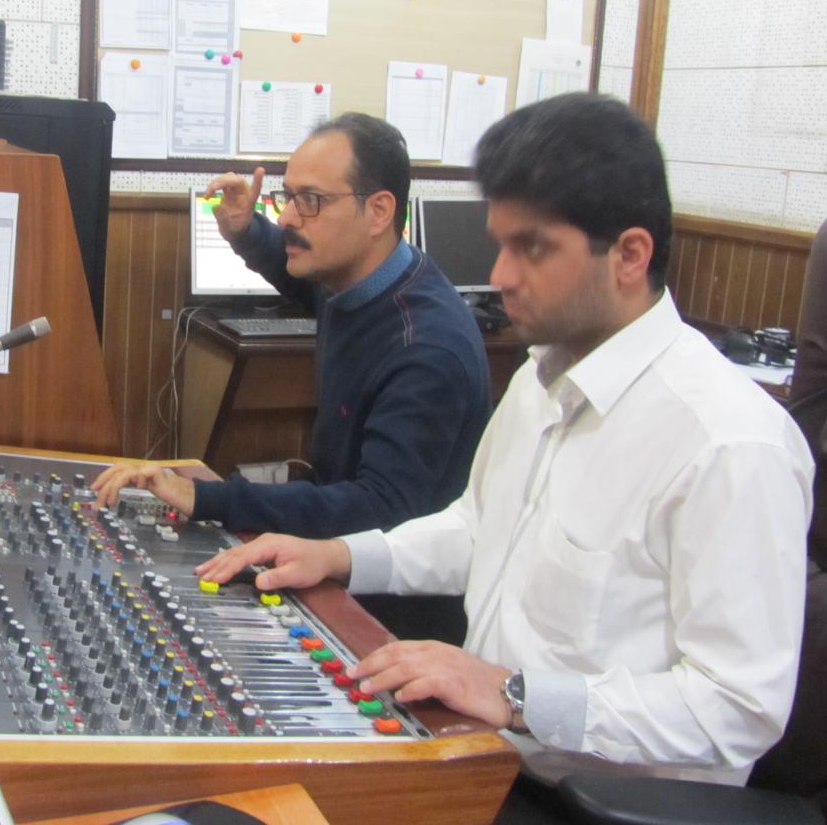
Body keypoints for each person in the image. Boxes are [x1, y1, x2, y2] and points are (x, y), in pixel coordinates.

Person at [196, 93, 814, 794]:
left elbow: (738, 709)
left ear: (629, 255)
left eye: (532, 248)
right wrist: (339, 555)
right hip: (487, 751)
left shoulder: (729, 444)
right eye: (501, 244)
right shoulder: (541, 378)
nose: (499, 277)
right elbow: (478, 528)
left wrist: (517, 695)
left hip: (593, 800)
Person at [93, 112, 491, 539]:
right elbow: (296, 275)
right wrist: (246, 230)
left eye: (311, 201)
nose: (286, 218)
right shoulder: (357, 281)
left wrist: (206, 497)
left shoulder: (426, 349)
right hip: (338, 541)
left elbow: (379, 509)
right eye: (288, 197)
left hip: (381, 570)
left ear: (378, 211)